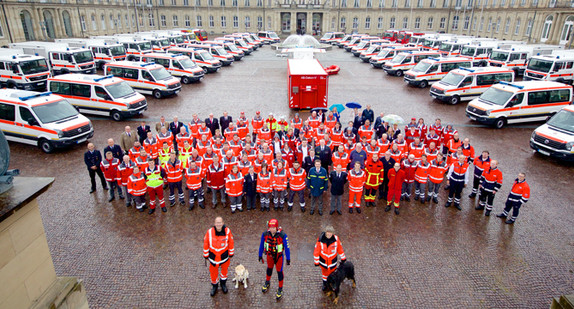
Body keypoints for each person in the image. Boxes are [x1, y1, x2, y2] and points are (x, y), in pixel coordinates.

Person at [259, 219, 291, 300]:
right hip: (269, 256)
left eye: (273, 227)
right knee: (269, 269)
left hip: (279, 257)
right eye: (270, 227)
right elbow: (261, 245)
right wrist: (260, 255)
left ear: (277, 227)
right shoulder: (265, 234)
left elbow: (287, 247)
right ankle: (267, 282)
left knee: (279, 272)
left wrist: (288, 258)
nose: (272, 229)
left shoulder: (282, 235)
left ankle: (280, 288)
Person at [203, 217, 234, 296]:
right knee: (213, 273)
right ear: (214, 224)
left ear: (223, 223)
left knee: (224, 272)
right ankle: (215, 286)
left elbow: (231, 242)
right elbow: (206, 243)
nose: (218, 224)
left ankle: (223, 284)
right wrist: (206, 255)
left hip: (224, 257)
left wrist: (231, 253)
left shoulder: (227, 231)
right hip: (213, 257)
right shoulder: (209, 232)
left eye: (220, 222)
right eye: (217, 222)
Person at [313, 225, 346, 291]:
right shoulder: (320, 240)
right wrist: (316, 262)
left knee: (333, 275)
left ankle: (332, 284)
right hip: (324, 263)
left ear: (332, 233)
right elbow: (316, 251)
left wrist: (343, 258)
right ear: (325, 232)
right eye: (328, 232)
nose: (329, 234)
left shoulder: (336, 239)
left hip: (332, 263)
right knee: (324, 275)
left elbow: (340, 249)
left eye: (330, 232)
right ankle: (325, 284)